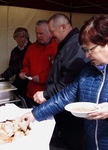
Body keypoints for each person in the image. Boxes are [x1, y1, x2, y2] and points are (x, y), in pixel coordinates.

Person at [22, 14, 108, 150]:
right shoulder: (87, 72)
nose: (86, 55)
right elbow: (64, 97)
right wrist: (34, 114)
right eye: (84, 50)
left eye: (89, 49)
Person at [33, 13, 89, 150]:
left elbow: (68, 83)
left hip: (72, 118)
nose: (51, 35)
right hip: (62, 111)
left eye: (52, 31)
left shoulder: (76, 45)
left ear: (63, 27)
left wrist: (46, 94)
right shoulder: (66, 43)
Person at [19, 20, 58, 108]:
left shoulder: (57, 47)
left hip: (48, 94)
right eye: (36, 33)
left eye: (41, 33)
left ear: (50, 33)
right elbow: (26, 65)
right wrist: (24, 72)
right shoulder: (31, 47)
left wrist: (42, 78)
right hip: (32, 93)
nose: (38, 36)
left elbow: (58, 71)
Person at [0, 27, 31, 99]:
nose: (19, 39)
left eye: (22, 36)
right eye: (17, 37)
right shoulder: (14, 51)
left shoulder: (32, 48)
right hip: (19, 83)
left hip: (30, 83)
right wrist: (2, 77)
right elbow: (12, 68)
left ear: (27, 37)